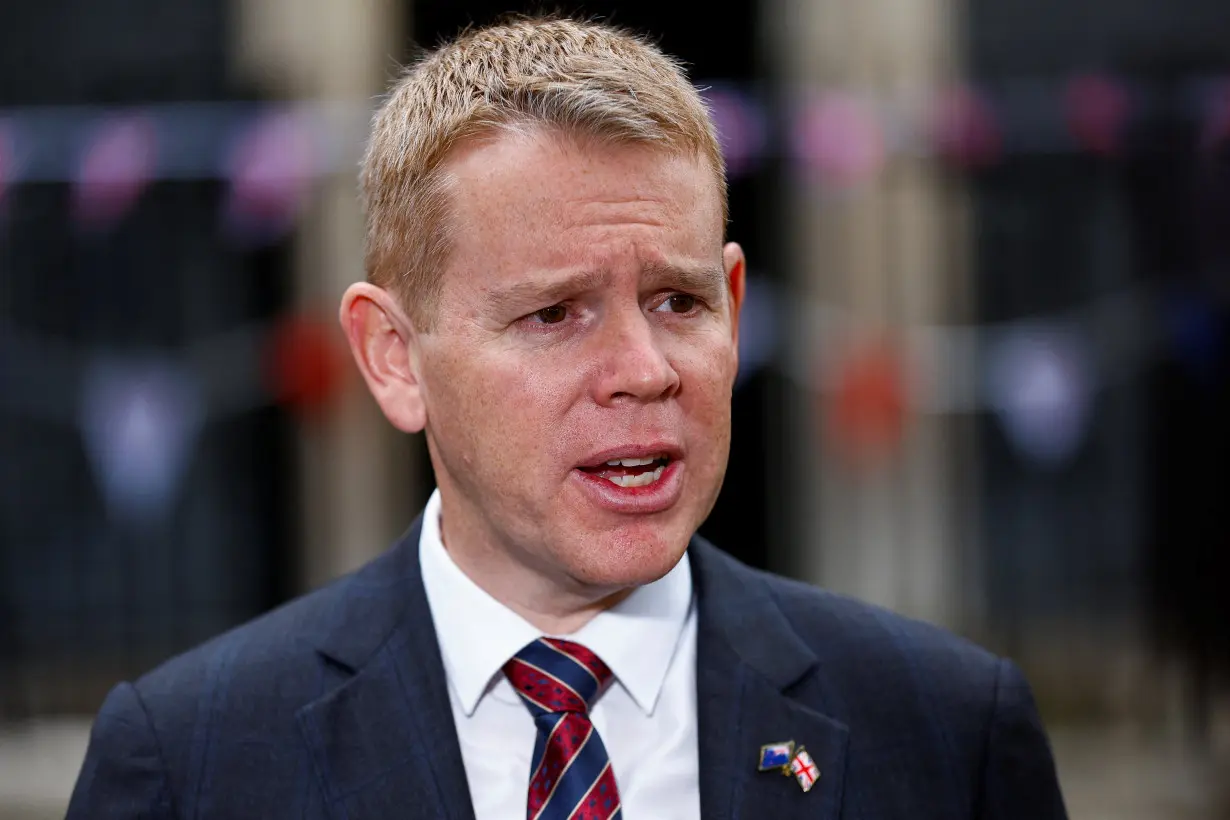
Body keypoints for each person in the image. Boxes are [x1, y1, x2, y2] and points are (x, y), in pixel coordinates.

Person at [68, 16, 1068, 820]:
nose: (643, 371)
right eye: (553, 314)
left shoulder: (947, 729)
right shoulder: (186, 762)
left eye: (679, 302)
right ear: (392, 357)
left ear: (735, 303)